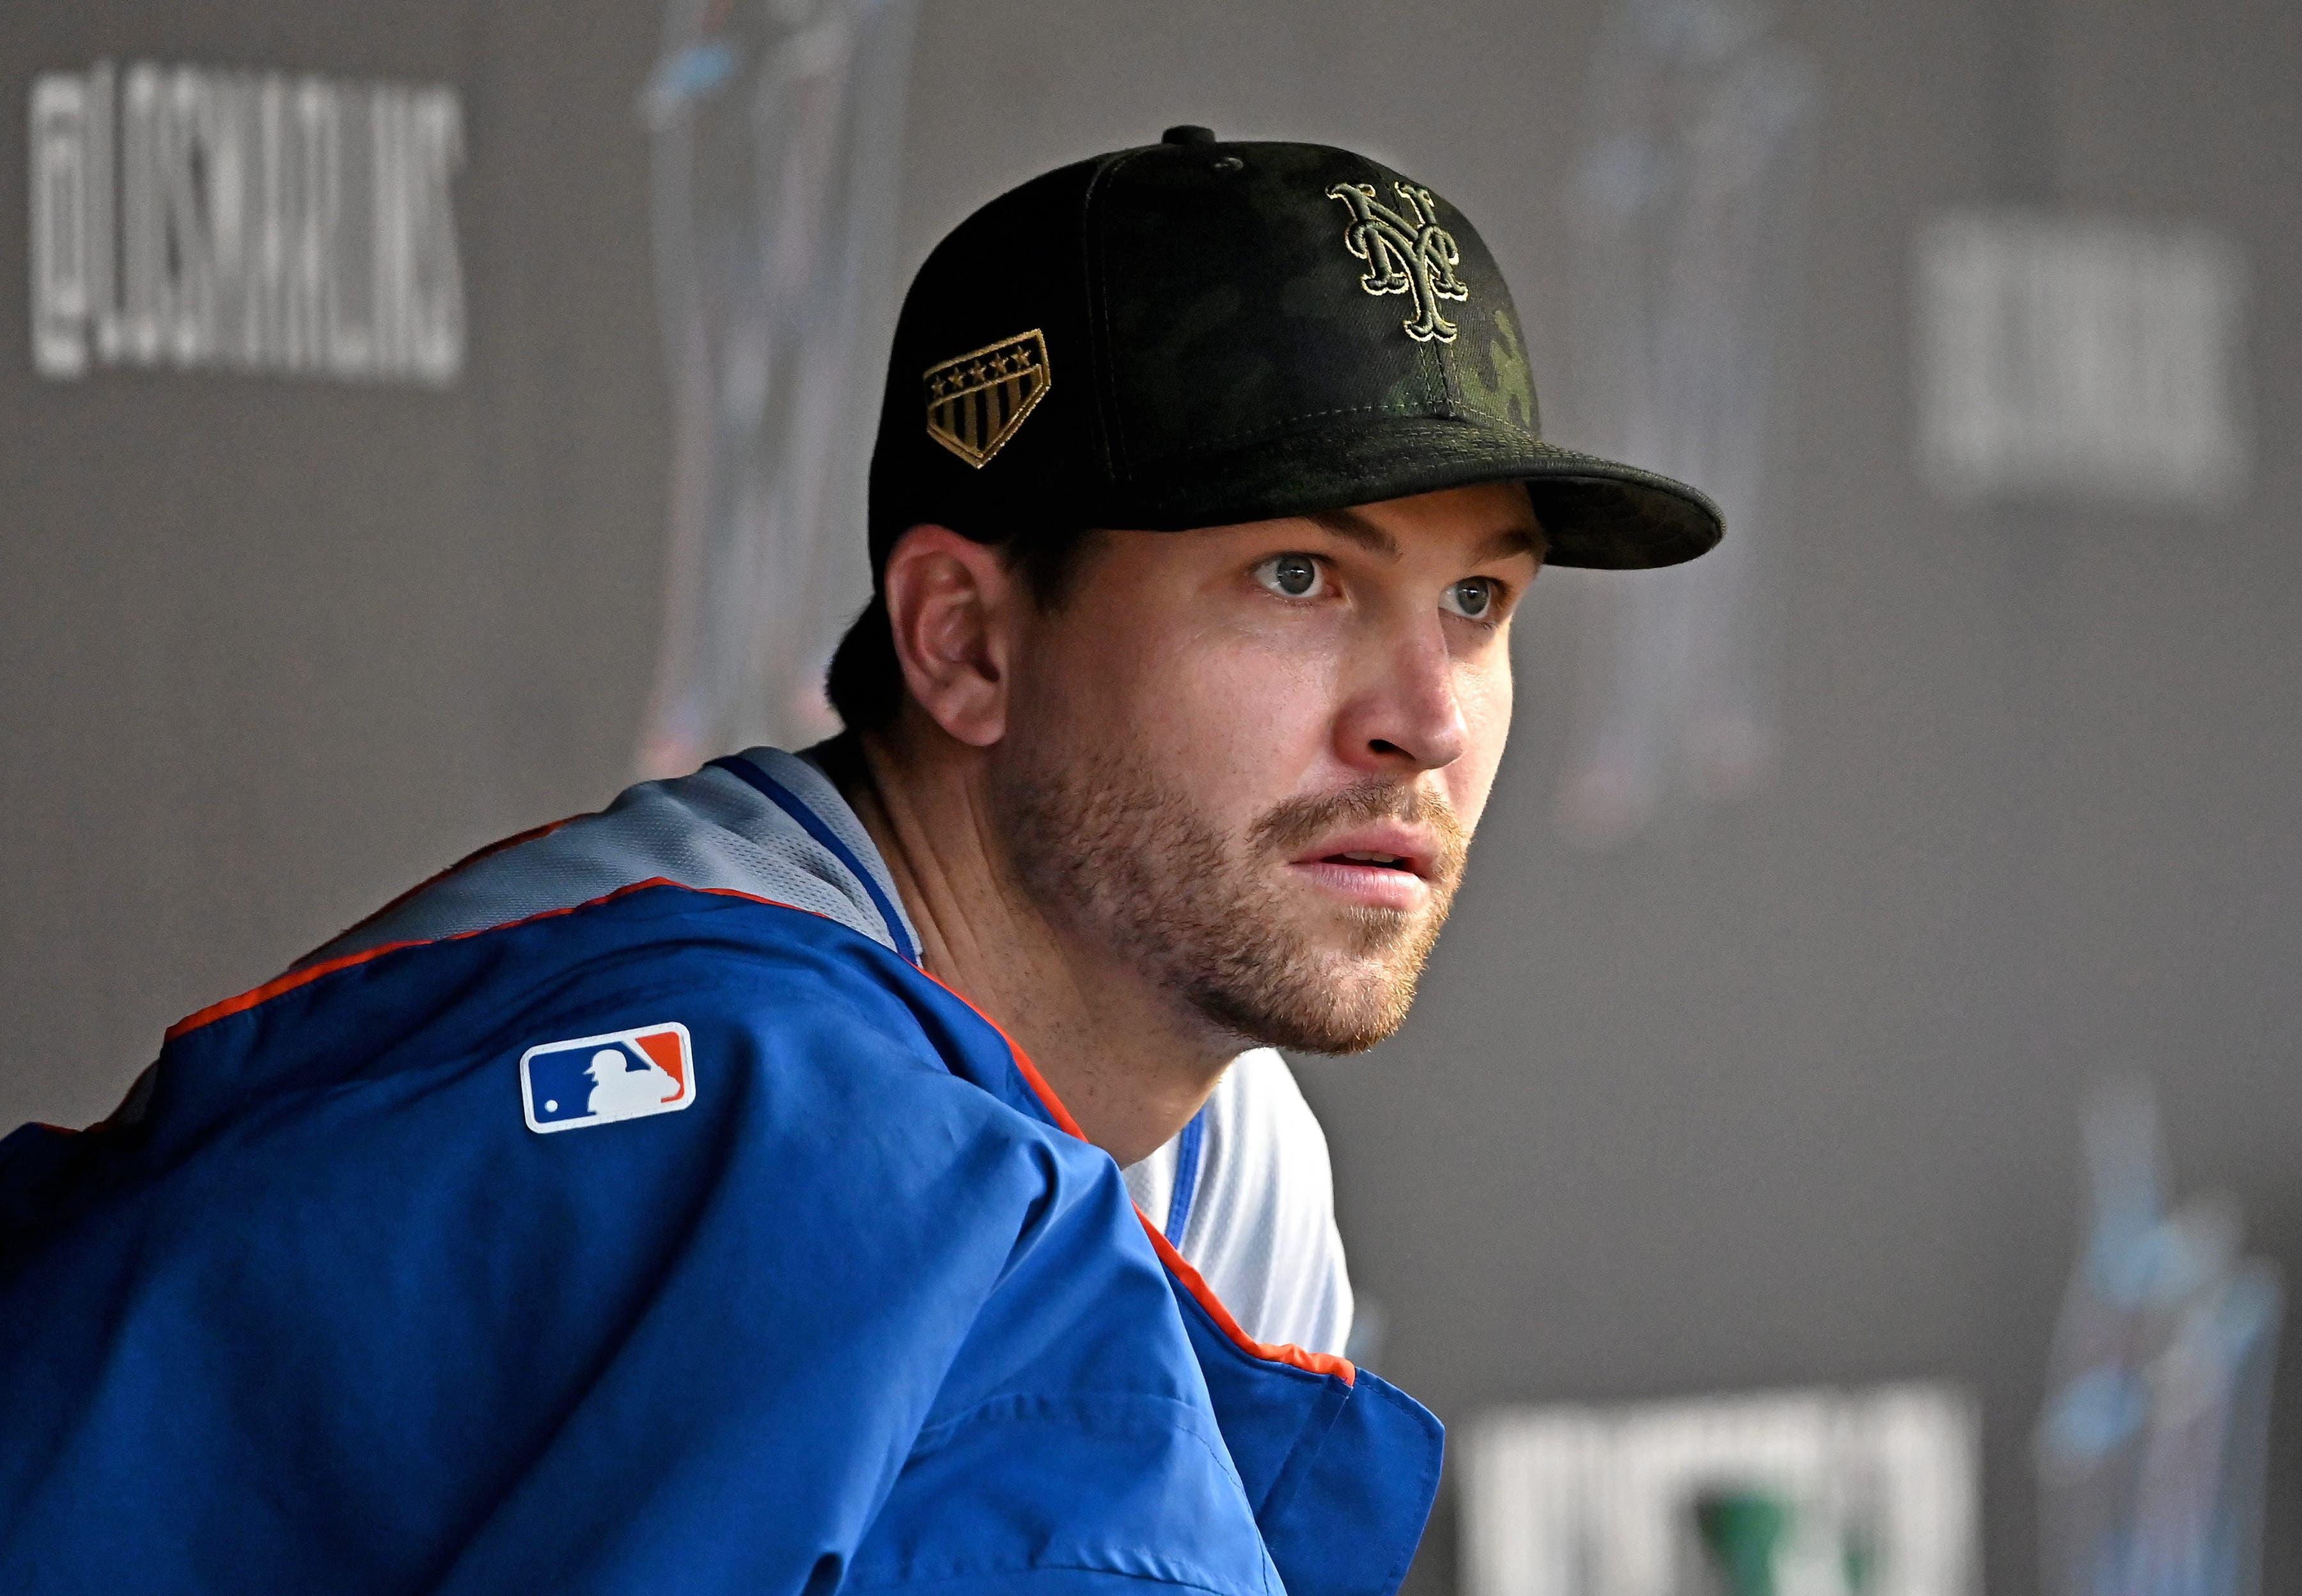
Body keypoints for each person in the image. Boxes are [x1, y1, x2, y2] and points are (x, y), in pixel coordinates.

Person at [0, 127, 1719, 1595]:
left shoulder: (1224, 1152)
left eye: (1478, 602)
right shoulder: (781, 1097)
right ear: (965, 640)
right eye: (1298, 580)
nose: (1426, 717)